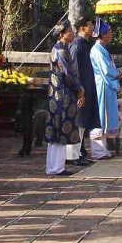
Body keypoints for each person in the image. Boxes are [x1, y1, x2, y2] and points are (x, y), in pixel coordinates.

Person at [45, 22, 85, 177]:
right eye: (70, 31)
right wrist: (79, 90)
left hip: (58, 94)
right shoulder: (60, 51)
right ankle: (56, 167)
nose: (73, 34)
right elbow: (67, 74)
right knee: (59, 130)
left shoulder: (61, 49)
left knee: (57, 131)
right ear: (62, 34)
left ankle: (55, 166)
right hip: (61, 95)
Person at [69, 16, 98, 166]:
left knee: (82, 123)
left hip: (86, 88)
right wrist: (79, 90)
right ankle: (74, 155)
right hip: (79, 90)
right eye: (90, 26)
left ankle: (79, 152)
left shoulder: (84, 45)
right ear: (82, 28)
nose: (92, 28)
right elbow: (75, 70)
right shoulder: (76, 45)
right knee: (78, 122)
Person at [89, 19, 121, 160]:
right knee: (100, 116)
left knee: (105, 117)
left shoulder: (102, 49)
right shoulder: (97, 51)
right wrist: (117, 74)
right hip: (101, 86)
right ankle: (98, 151)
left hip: (106, 86)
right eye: (109, 33)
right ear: (102, 34)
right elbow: (106, 70)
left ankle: (103, 149)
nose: (111, 35)